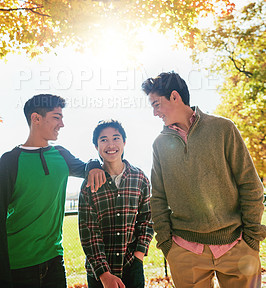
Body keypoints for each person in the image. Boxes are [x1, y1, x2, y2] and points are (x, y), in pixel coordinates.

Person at [141, 71, 266, 288]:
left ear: (174, 96)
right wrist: (167, 245)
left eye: (156, 104)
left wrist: (251, 238)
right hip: (185, 252)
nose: (154, 112)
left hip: (236, 246)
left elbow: (250, 184)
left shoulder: (223, 128)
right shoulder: (159, 144)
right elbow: (158, 198)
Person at [0, 94, 106, 288]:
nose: (62, 124)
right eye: (57, 117)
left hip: (55, 261)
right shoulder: (9, 161)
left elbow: (86, 167)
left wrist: (93, 164)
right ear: (36, 118)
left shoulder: (61, 154)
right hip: (18, 265)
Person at [78, 120, 154, 288]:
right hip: (99, 273)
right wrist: (104, 274)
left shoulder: (139, 178)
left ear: (124, 142)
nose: (110, 144)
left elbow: (147, 219)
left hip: (131, 266)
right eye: (103, 140)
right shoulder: (89, 185)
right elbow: (88, 231)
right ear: (96, 146)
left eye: (116, 138)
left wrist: (139, 255)